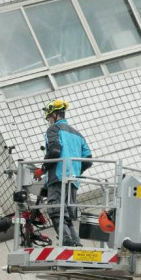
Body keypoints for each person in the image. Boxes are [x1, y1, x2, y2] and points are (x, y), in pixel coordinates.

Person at [40, 99, 92, 248]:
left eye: (49, 117)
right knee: (68, 213)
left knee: (56, 210)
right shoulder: (77, 134)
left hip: (58, 177)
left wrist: (42, 169)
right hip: (73, 180)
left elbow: (55, 150)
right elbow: (88, 159)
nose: (49, 121)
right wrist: (76, 170)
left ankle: (66, 241)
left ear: (55, 114)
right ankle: (75, 242)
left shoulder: (53, 130)